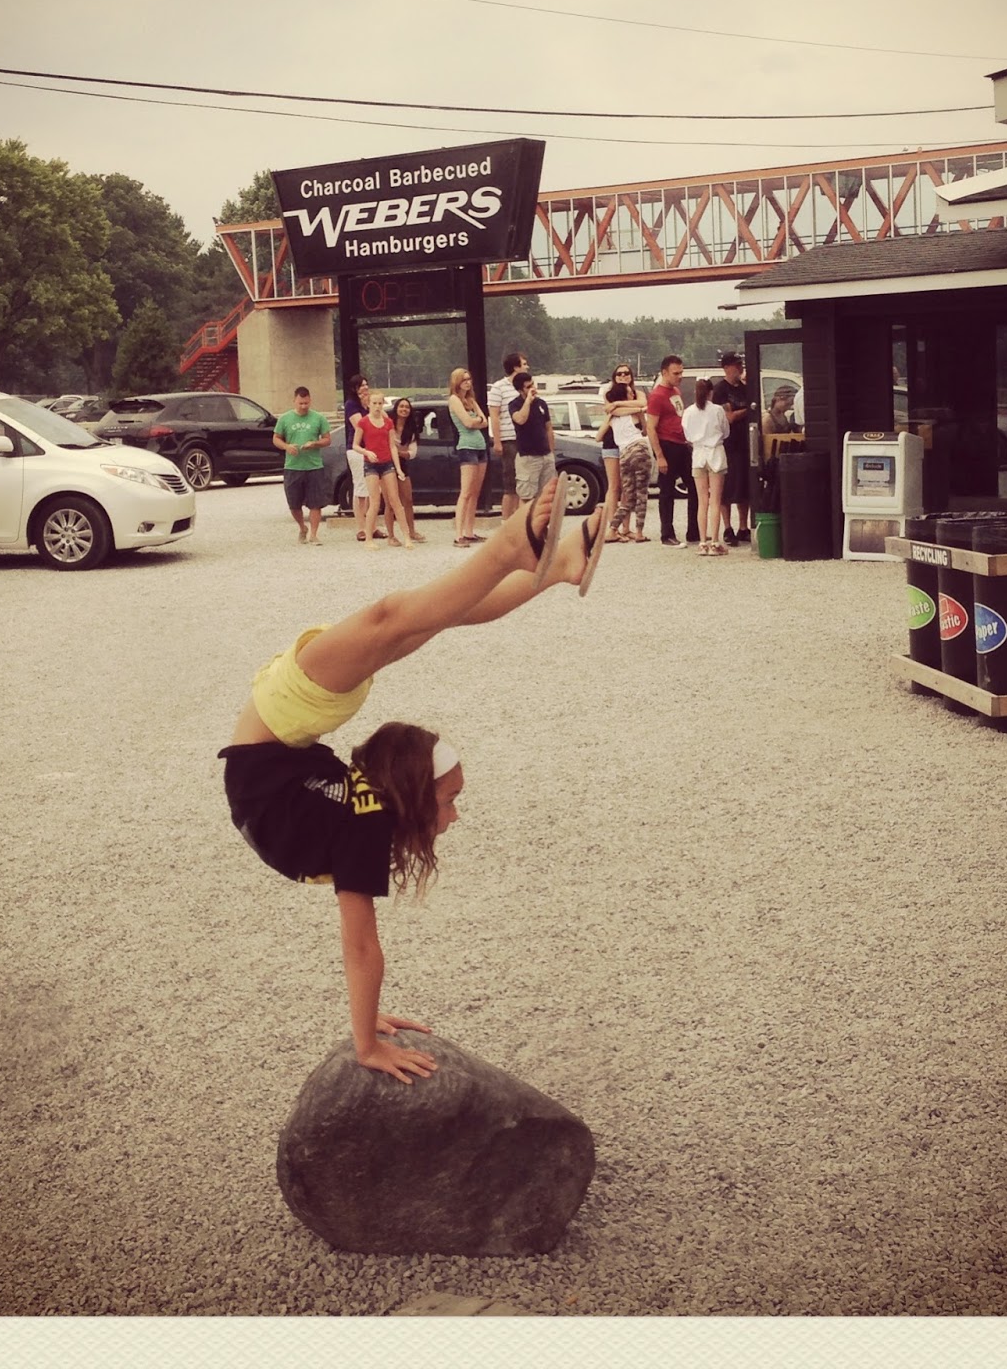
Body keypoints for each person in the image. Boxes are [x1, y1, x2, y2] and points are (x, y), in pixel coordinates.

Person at [219, 478, 609, 1084]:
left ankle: (536, 555)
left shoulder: (365, 825)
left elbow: (358, 949)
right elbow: (361, 950)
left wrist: (365, 1026)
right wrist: (367, 1037)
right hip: (285, 729)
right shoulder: (366, 826)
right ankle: (536, 557)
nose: (454, 816)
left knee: (406, 616)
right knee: (415, 617)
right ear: (411, 793)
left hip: (280, 728)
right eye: (450, 799)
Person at [644, 354, 698, 547]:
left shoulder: (675, 391)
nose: (680, 376)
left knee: (694, 486)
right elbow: (651, 427)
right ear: (664, 373)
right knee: (667, 491)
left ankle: (694, 530)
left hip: (681, 444)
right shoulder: (657, 396)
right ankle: (667, 533)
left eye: (681, 372)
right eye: (676, 373)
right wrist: (659, 456)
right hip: (667, 444)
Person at [273, 386, 333, 544]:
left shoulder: (319, 418)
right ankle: (302, 527)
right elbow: (276, 438)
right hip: (293, 467)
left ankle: (314, 534)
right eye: (300, 403)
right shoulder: (285, 419)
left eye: (306, 403)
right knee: (294, 504)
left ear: (310, 400)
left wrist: (314, 443)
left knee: (315, 503)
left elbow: (327, 439)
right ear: (294, 401)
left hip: (314, 466)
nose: (304, 406)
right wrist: (287, 446)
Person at [355, 390, 412, 551]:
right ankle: (368, 538)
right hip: (371, 464)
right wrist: (366, 452)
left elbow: (392, 446)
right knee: (374, 502)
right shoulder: (363, 422)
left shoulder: (388, 423)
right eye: (374, 403)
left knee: (395, 501)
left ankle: (407, 536)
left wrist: (399, 468)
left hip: (387, 463)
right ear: (369, 404)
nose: (377, 406)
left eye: (380, 403)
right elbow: (355, 445)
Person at [601, 362, 651, 543]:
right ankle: (611, 528)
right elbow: (609, 410)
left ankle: (626, 528)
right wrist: (637, 409)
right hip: (612, 443)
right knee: (614, 486)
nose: (623, 376)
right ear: (614, 377)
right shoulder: (608, 393)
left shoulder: (638, 393)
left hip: (627, 443)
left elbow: (642, 403)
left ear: (631, 376)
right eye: (619, 373)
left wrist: (619, 404)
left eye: (626, 373)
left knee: (627, 489)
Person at [683, 378, 731, 557]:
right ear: (711, 392)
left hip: (698, 455)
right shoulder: (717, 410)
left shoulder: (688, 412)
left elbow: (687, 434)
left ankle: (702, 542)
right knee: (715, 501)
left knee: (702, 501)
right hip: (715, 453)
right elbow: (726, 431)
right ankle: (715, 542)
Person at [711, 352, 754, 546]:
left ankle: (743, 527)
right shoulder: (720, 390)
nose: (741, 367)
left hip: (746, 443)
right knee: (727, 488)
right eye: (737, 364)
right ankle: (727, 528)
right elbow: (729, 417)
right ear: (727, 367)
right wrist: (749, 410)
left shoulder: (745, 389)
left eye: (741, 364)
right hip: (729, 445)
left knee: (744, 487)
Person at [446, 367, 489, 547]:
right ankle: (458, 534)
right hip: (467, 447)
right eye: (464, 379)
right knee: (465, 492)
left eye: (469, 379)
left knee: (475, 493)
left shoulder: (470, 400)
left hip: (480, 446)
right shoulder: (454, 400)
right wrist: (477, 421)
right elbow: (468, 422)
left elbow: (485, 421)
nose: (467, 382)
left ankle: (470, 531)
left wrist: (478, 421)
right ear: (456, 382)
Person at [486, 350, 528, 521]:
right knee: (510, 483)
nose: (527, 366)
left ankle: (519, 520)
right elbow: (494, 416)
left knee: (524, 483)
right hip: (509, 439)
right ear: (515, 367)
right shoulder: (499, 388)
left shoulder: (526, 386)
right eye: (524, 363)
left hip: (525, 438)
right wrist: (497, 441)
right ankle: (505, 521)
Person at [343, 373, 384, 543]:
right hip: (358, 450)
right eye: (361, 385)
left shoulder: (369, 404)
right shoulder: (351, 405)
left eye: (366, 384)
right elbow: (361, 426)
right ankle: (361, 528)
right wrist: (367, 409)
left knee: (373, 489)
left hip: (373, 449)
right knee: (361, 488)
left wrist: (370, 406)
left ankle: (372, 526)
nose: (365, 388)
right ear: (355, 388)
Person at [508, 369, 556, 504]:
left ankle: (542, 525)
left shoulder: (541, 403)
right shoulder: (514, 404)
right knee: (527, 496)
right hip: (528, 457)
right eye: (528, 387)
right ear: (520, 390)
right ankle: (524, 523)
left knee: (547, 496)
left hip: (545, 455)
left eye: (533, 385)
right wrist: (528, 401)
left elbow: (548, 428)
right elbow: (520, 419)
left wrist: (551, 452)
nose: (533, 389)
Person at [384, 396, 427, 545]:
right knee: (390, 502)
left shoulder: (411, 430)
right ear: (396, 408)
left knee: (407, 499)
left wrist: (397, 451)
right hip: (387, 464)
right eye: (401, 406)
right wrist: (398, 450)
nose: (404, 409)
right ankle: (391, 536)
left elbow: (412, 453)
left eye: (407, 407)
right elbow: (386, 446)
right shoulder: (388, 425)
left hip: (402, 464)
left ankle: (411, 531)